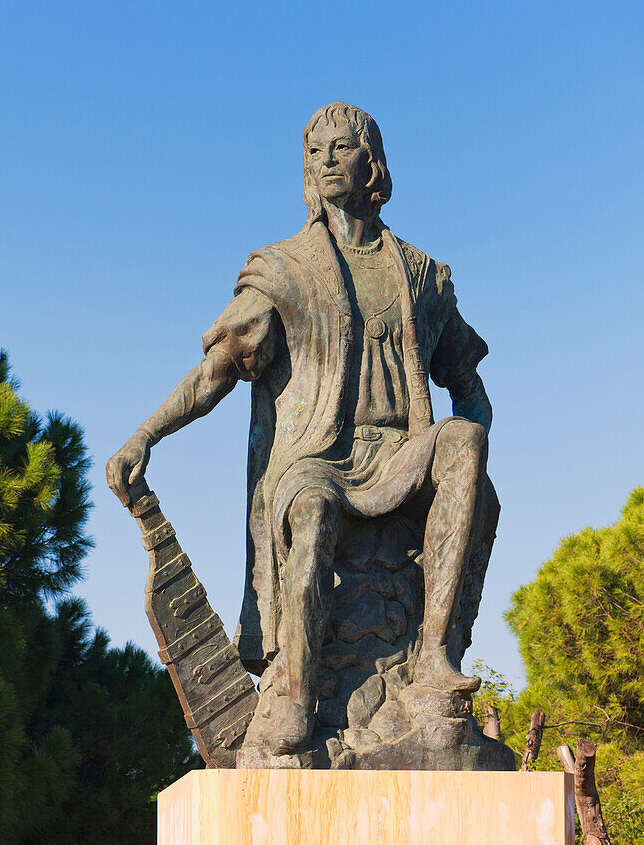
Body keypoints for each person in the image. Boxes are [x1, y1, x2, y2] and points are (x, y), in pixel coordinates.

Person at [108, 102, 495, 757]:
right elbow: (216, 372)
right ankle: (295, 690)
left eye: (338, 148)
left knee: (462, 440)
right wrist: (145, 435)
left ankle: (431, 658)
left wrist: (470, 479)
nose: (322, 161)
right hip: (315, 460)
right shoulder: (283, 268)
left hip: (399, 454)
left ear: (370, 161)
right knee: (312, 505)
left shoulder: (424, 276)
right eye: (312, 152)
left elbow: (466, 382)